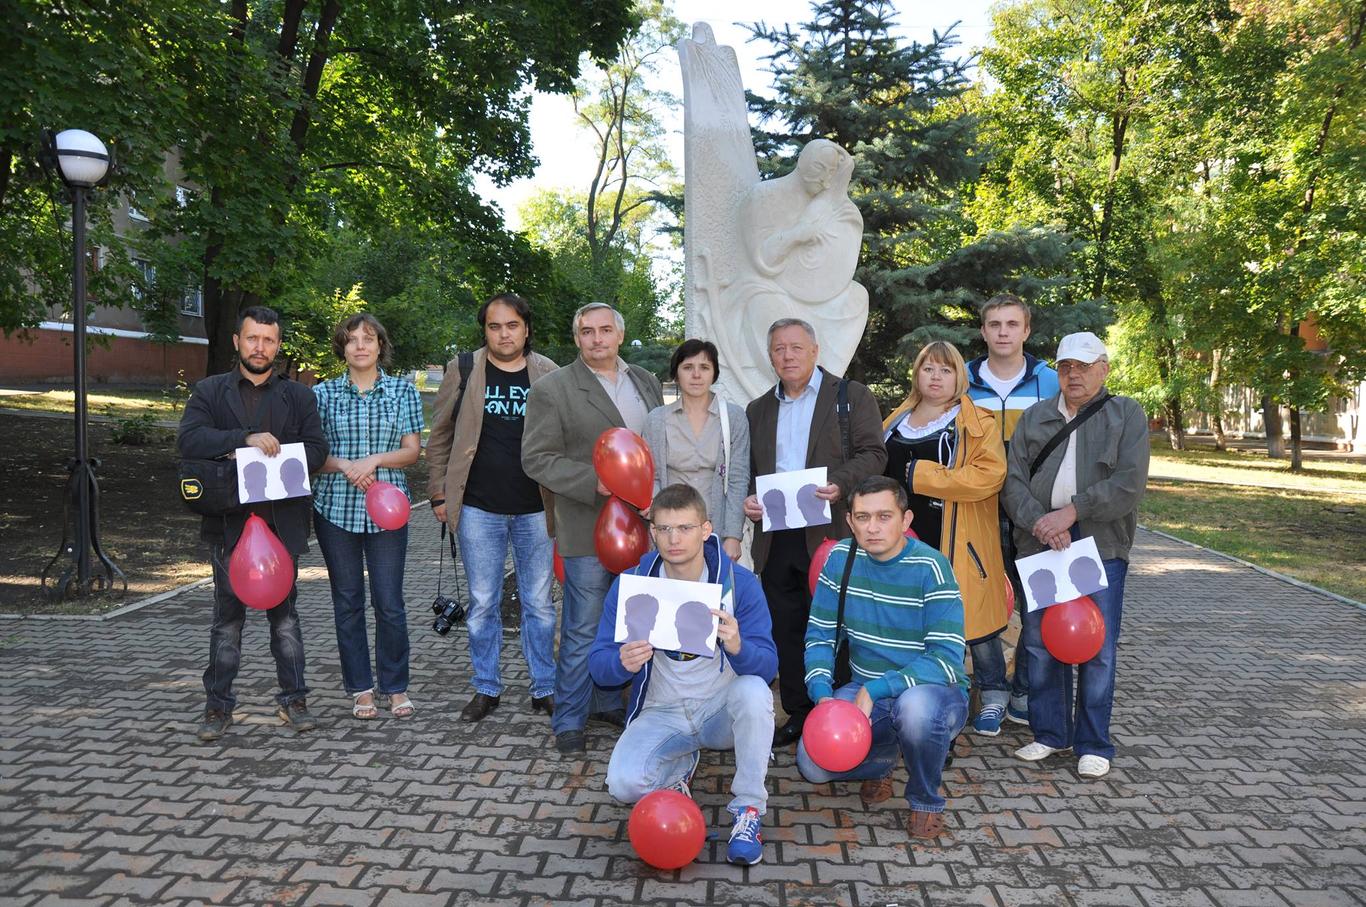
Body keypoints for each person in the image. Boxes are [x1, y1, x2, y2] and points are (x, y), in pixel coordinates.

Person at [589, 483, 778, 865]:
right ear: (652, 532)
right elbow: (598, 667)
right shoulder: (632, 585)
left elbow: (768, 668)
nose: (674, 539)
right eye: (664, 529)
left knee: (755, 693)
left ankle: (748, 810)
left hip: (718, 710)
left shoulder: (739, 585)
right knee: (623, 785)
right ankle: (677, 771)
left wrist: (740, 646)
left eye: (686, 528)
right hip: (662, 711)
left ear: (706, 530)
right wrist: (620, 663)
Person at [177, 305, 328, 742]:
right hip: (228, 525)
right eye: (252, 338)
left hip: (282, 528)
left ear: (278, 345)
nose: (260, 347)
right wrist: (241, 441)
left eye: (269, 340)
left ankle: (294, 701)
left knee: (285, 620)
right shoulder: (209, 391)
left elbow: (317, 451)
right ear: (237, 341)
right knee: (227, 621)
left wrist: (284, 452)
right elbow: (188, 440)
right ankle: (217, 708)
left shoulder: (299, 396)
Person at [1002, 332, 1149, 779]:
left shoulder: (1126, 415)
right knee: (1041, 642)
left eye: (1084, 366)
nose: (1074, 374)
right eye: (1066, 366)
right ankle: (1050, 735)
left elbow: (1128, 483)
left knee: (1098, 647)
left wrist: (1072, 512)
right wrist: (1040, 523)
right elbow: (1012, 481)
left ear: (1104, 368)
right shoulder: (1035, 417)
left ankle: (1093, 743)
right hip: (1040, 540)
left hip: (1098, 545)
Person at [522, 302, 664, 753]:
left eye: (605, 330)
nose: (597, 339)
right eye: (587, 332)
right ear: (576, 337)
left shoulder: (644, 381)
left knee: (632, 622)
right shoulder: (553, 389)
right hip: (588, 525)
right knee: (584, 625)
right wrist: (593, 482)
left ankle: (607, 701)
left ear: (620, 335)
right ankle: (569, 719)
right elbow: (537, 458)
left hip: (644, 526)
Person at [798, 476, 968, 840]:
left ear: (906, 521)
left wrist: (879, 688)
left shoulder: (932, 568)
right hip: (865, 686)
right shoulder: (841, 560)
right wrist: (822, 694)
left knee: (916, 710)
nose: (872, 528)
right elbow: (821, 635)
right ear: (849, 521)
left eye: (884, 516)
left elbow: (946, 658)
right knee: (812, 763)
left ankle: (925, 800)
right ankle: (884, 761)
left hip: (932, 690)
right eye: (862, 517)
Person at [743, 318, 886, 747]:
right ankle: (800, 712)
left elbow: (875, 453)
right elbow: (753, 472)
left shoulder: (850, 396)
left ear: (815, 351)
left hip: (830, 531)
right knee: (785, 625)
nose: (787, 356)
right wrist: (751, 500)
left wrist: (841, 483)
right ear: (770, 357)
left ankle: (840, 710)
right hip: (776, 534)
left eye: (796, 348)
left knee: (837, 624)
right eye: (779, 349)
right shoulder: (758, 409)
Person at [426, 293, 560, 723]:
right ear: (484, 330)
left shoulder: (548, 373)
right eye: (494, 326)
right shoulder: (464, 370)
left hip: (536, 508)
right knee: (483, 602)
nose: (504, 334)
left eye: (512, 325)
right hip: (479, 508)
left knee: (539, 603)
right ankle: (486, 688)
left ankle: (545, 687)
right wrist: (440, 494)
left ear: (526, 329)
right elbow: (441, 435)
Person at [882, 342, 1010, 737]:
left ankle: (993, 694)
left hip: (958, 540)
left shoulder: (977, 422)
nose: (935, 377)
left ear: (959, 376)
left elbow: (988, 477)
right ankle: (925, 693)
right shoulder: (895, 419)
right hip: (902, 541)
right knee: (914, 620)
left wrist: (920, 475)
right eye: (928, 369)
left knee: (973, 622)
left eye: (945, 370)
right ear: (917, 374)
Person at [312, 313, 423, 721]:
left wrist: (374, 459)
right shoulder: (321, 395)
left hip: (389, 514)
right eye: (352, 339)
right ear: (341, 347)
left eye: (369, 338)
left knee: (390, 602)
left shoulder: (402, 392)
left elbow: (412, 451)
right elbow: (312, 455)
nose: (360, 345)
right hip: (334, 510)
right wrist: (346, 466)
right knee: (347, 601)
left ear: (380, 346)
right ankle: (360, 688)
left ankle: (395, 687)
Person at [966, 294, 1059, 728]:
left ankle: (1023, 687)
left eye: (1011, 324)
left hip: (1033, 513)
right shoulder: (961, 380)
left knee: (1035, 604)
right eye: (994, 324)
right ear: (983, 331)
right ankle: (992, 686)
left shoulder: (1051, 383)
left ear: (1026, 330)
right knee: (978, 601)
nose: (1002, 332)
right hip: (976, 512)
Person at [642, 339, 750, 561]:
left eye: (704, 367)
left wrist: (732, 536)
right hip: (670, 530)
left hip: (714, 528)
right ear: (676, 373)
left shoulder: (733, 417)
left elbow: (738, 479)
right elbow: (651, 477)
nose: (696, 375)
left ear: (714, 374)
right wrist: (653, 510)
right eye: (688, 367)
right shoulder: (657, 420)